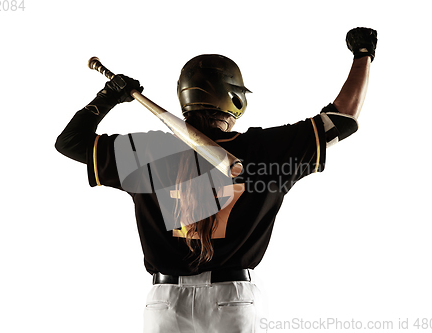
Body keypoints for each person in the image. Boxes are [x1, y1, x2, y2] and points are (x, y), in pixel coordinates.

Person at [55, 27, 377, 333]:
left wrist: (109, 95)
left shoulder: (147, 152)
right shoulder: (268, 150)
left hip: (165, 301)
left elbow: (70, 142)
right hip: (232, 298)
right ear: (235, 99)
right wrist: (363, 54)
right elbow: (342, 120)